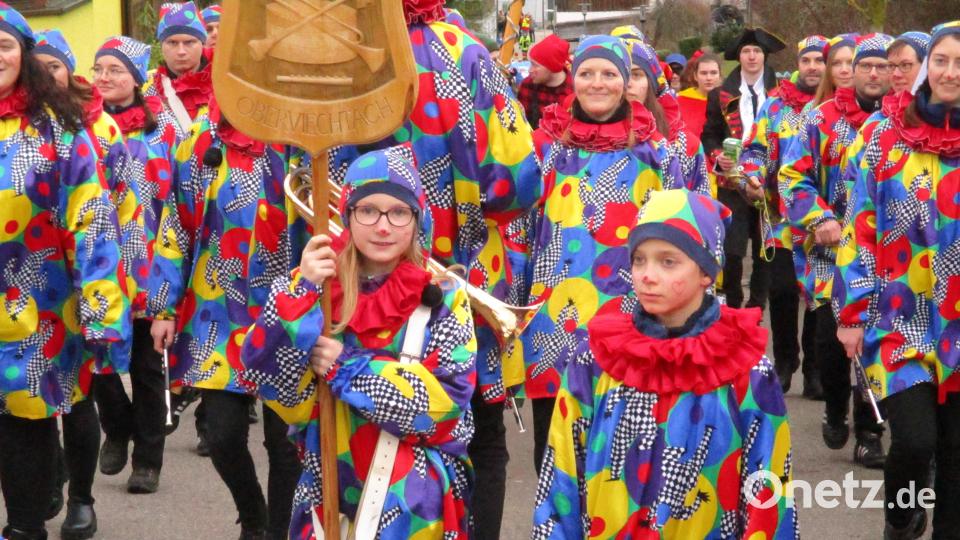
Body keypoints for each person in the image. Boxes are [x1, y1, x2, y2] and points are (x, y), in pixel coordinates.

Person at [327, 3, 540, 538]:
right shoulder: (466, 52)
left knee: (359, 410)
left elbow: (317, 171)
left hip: (364, 267)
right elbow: (516, 181)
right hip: (464, 272)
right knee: (481, 430)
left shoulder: (341, 52)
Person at [239, 146, 476, 539]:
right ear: (347, 215)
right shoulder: (312, 286)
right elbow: (264, 376)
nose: (383, 226)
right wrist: (302, 292)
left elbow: (445, 408)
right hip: (328, 494)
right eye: (368, 210)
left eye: (398, 212)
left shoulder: (445, 298)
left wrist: (348, 368)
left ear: (417, 220)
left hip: (413, 507)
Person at [532, 189, 797, 538]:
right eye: (639, 259)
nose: (647, 274)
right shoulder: (595, 362)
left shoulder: (746, 370)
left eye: (667, 261)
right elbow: (561, 476)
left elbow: (768, 491)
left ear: (706, 272)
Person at [514, 34, 682, 481]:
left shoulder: (657, 152)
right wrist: (509, 309)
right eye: (587, 73)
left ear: (626, 81)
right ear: (573, 78)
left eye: (609, 73)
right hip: (554, 318)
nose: (597, 83)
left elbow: (687, 236)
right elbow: (518, 230)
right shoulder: (543, 147)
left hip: (632, 317)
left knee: (627, 450)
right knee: (554, 450)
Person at [147, 98, 302, 540]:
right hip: (217, 311)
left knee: (286, 444)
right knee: (222, 434)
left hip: (290, 311)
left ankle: (278, 532)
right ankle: (253, 514)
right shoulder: (201, 139)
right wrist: (163, 306)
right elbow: (175, 224)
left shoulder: (303, 137)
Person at [0, 4, 126, 539]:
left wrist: (101, 315)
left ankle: (29, 526)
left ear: (23, 56)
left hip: (40, 310)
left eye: (3, 44)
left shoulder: (60, 129)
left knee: (24, 424)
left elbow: (93, 222)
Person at [835, 20, 960, 539]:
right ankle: (901, 520)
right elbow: (859, 223)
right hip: (898, 322)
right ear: (925, 66)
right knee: (912, 443)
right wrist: (851, 311)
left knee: (954, 454)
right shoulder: (883, 135)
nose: (952, 73)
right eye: (943, 61)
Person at [33, 28, 142, 539]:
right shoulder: (20, 130)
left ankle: (82, 497)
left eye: (55, 65)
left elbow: (128, 209)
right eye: (39, 64)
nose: (46, 73)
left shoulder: (100, 130)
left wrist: (127, 286)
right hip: (30, 285)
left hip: (87, 282)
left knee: (78, 397)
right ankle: (46, 476)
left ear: (68, 71)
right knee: (29, 395)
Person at [779, 33, 894, 469]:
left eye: (883, 66)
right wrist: (820, 217)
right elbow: (792, 175)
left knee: (873, 343)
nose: (873, 73)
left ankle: (869, 431)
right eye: (865, 65)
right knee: (830, 341)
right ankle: (833, 407)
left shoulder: (902, 121)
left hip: (883, 255)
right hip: (830, 255)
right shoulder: (819, 118)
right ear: (848, 71)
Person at [87, 34, 186, 502]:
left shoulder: (163, 129)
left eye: (116, 70)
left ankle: (148, 460)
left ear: (136, 78)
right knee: (100, 359)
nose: (105, 78)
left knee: (148, 365)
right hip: (97, 263)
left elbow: (180, 198)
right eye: (99, 69)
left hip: (149, 263)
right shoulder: (83, 126)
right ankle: (116, 425)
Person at [739, 35, 828, 399]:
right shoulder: (775, 105)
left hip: (824, 219)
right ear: (798, 63)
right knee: (780, 290)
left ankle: (814, 369)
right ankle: (786, 359)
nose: (812, 67)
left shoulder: (836, 107)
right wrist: (753, 175)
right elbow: (756, 148)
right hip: (780, 218)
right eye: (806, 60)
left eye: (820, 61)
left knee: (818, 297)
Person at [703, 27, 785, 312]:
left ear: (765, 56)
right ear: (739, 57)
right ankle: (734, 302)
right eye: (746, 52)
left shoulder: (782, 94)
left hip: (769, 182)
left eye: (757, 51)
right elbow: (710, 135)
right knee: (733, 250)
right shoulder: (720, 95)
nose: (751, 57)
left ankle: (757, 305)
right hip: (732, 182)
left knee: (766, 248)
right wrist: (717, 157)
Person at [612, 25, 709, 195]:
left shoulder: (685, 144)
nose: (627, 83)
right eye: (618, 74)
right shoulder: (582, 141)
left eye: (636, 74)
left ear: (651, 83)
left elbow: (700, 209)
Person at [144, 1, 213, 135]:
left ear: (202, 43)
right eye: (172, 43)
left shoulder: (225, 84)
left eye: (189, 42)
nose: (181, 51)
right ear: (161, 46)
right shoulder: (145, 88)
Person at [517, 34, 572, 130]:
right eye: (531, 64)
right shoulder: (527, 85)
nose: (530, 70)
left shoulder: (574, 93)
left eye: (535, 65)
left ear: (552, 67)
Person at [676, 51, 721, 140]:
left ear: (719, 75)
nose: (709, 78)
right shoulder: (679, 100)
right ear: (695, 76)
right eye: (703, 73)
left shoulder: (729, 100)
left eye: (713, 73)